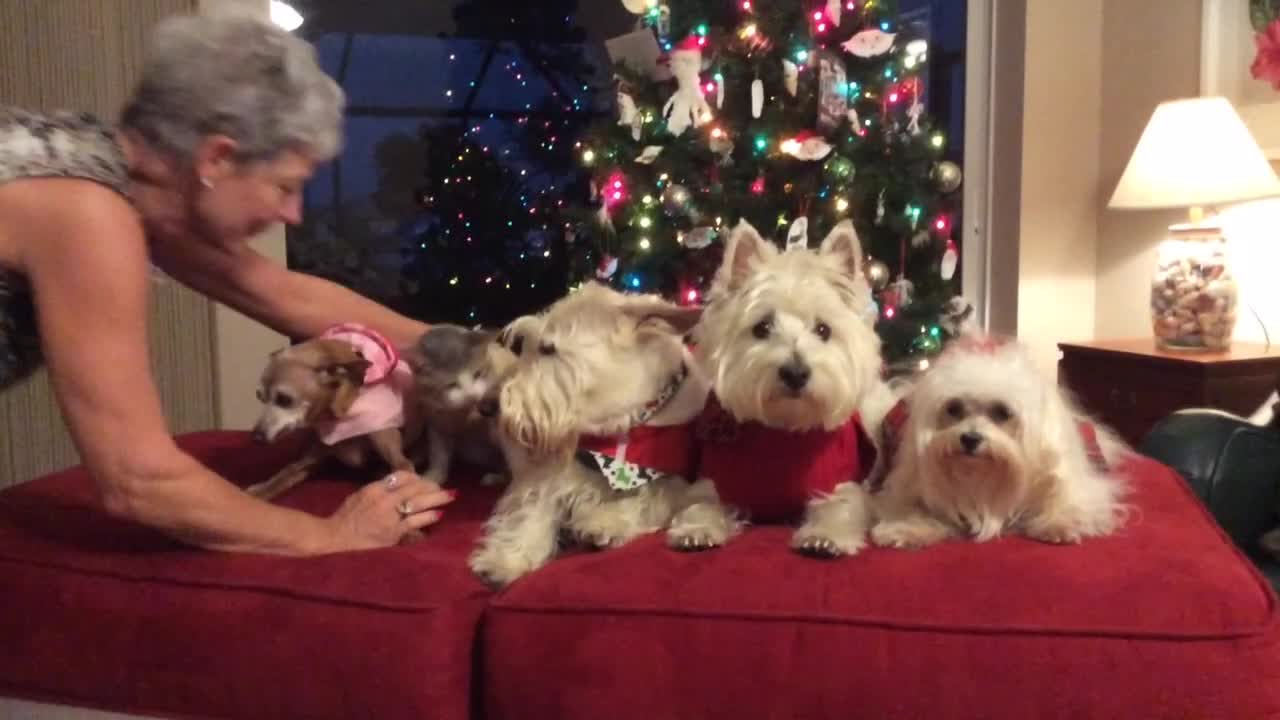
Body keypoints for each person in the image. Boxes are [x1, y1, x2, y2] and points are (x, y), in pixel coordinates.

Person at [0, 13, 453, 555]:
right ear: (216, 157)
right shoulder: (86, 213)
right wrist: (334, 534)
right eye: (286, 185)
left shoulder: (123, 181)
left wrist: (485, 355)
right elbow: (137, 479)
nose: (294, 213)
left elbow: (282, 293)